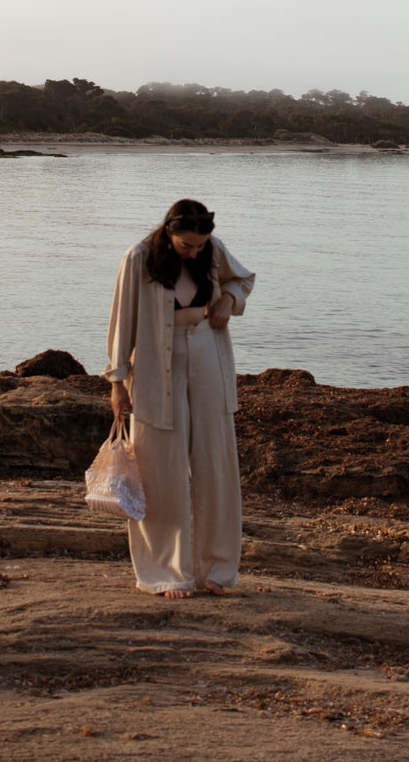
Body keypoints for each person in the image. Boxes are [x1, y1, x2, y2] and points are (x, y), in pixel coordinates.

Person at [103, 199, 255, 598]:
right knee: (159, 470)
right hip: (155, 364)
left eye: (199, 245)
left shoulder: (212, 249)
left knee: (216, 465)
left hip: (208, 354)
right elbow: (122, 321)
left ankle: (217, 571)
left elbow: (242, 280)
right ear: (169, 232)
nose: (195, 251)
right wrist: (118, 383)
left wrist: (227, 300)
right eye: (186, 245)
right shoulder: (139, 258)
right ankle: (167, 572)